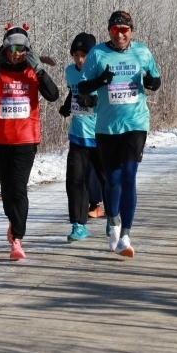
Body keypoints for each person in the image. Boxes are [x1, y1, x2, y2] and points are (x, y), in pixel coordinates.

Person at [77, 11, 160, 258]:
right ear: (109, 32)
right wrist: (101, 80)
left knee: (128, 177)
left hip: (136, 123)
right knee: (112, 180)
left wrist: (151, 80)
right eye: (115, 30)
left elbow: (155, 81)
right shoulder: (97, 54)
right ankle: (113, 222)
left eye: (124, 30)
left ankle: (125, 235)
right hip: (106, 127)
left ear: (131, 31)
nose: (120, 34)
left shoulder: (142, 52)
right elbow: (82, 87)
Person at [0, 23, 60, 260]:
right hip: (1, 139)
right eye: (11, 47)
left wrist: (40, 70)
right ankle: (13, 221)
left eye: (22, 49)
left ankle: (18, 240)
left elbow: (53, 96)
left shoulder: (33, 70)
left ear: (28, 50)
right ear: (4, 48)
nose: (16, 53)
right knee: (6, 189)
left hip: (26, 139)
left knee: (19, 188)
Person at [58, 32, 106, 243]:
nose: (79, 59)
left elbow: (110, 99)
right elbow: (72, 91)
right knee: (74, 182)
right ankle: (78, 225)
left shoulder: (100, 71)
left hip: (102, 135)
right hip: (78, 136)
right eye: (75, 54)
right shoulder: (70, 71)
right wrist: (67, 106)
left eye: (83, 54)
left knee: (107, 181)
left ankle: (113, 220)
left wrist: (93, 100)